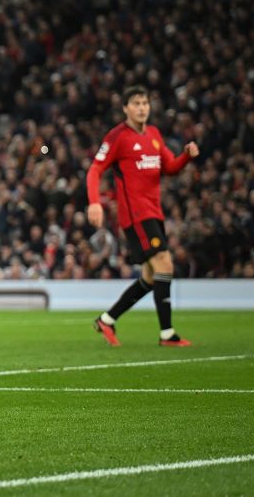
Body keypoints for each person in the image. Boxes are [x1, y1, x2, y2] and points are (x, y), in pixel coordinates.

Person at [87, 85, 200, 347]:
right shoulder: (117, 137)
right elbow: (94, 170)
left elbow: (169, 167)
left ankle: (107, 319)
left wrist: (185, 157)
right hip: (136, 215)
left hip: (154, 212)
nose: (141, 108)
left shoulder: (154, 135)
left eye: (145, 103)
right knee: (165, 264)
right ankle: (167, 334)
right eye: (136, 103)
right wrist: (95, 203)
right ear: (125, 108)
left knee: (151, 276)